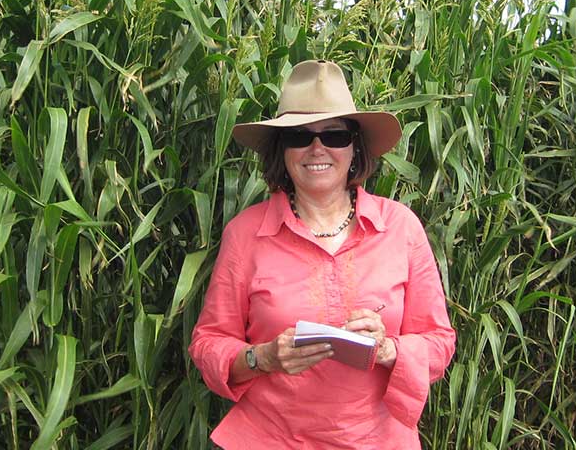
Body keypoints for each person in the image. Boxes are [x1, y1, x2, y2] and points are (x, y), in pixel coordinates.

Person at [189, 60, 456, 449]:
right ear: (282, 150)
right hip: (271, 439)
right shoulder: (246, 234)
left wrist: (388, 349)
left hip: (379, 440)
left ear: (355, 147)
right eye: (299, 136)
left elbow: (439, 341)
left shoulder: (400, 227)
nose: (317, 148)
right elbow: (208, 342)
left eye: (334, 135)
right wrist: (261, 357)